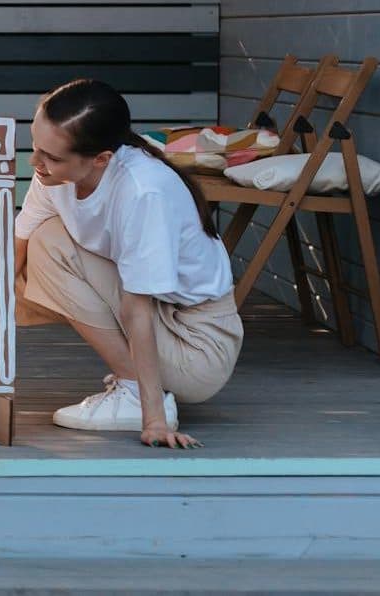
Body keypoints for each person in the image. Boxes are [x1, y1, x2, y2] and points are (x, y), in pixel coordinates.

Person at [14, 79, 243, 449]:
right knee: (40, 245)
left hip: (196, 347)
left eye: (52, 157)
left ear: (101, 158)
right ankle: (137, 387)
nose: (35, 163)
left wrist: (153, 419)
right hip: (156, 314)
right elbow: (16, 248)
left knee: (52, 246)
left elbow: (137, 308)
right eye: (36, 147)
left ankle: (138, 396)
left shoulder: (143, 190)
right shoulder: (53, 173)